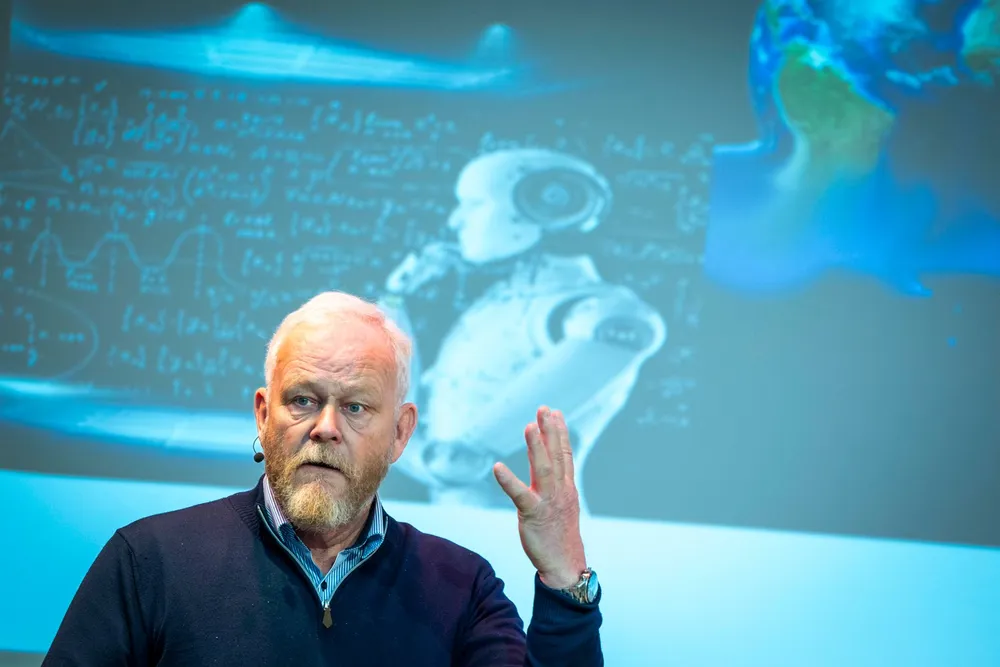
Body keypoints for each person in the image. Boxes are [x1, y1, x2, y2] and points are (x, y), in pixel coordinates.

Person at [42, 291, 603, 666]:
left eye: (356, 407)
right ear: (264, 415)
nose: (326, 428)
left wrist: (564, 577)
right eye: (303, 400)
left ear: (401, 433)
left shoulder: (461, 586)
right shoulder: (149, 560)